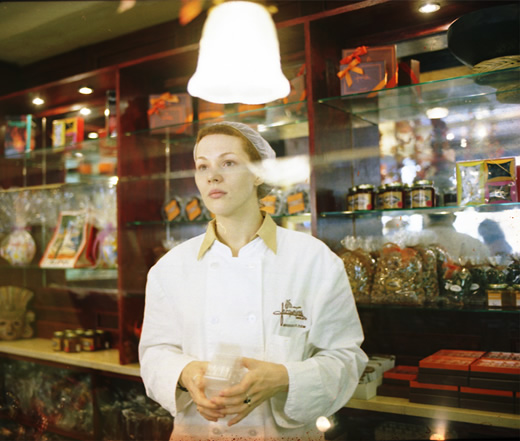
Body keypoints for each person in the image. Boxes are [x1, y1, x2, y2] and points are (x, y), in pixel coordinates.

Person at [139, 121, 367, 440]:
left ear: (259, 173)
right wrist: (184, 373)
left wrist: (285, 377)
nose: (212, 176)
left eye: (228, 163)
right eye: (202, 166)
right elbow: (154, 353)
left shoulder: (314, 260)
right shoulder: (170, 268)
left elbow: (346, 358)